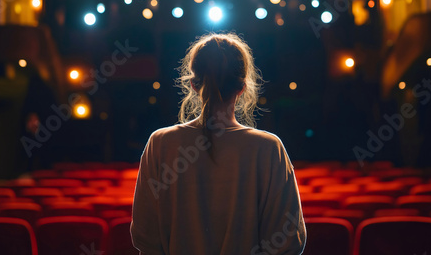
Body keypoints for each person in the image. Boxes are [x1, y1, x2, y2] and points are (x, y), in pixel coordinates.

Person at [131, 33, 306, 255]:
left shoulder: (161, 143)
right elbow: (289, 241)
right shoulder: (269, 148)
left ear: (194, 84)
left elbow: (145, 237)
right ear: (242, 87)